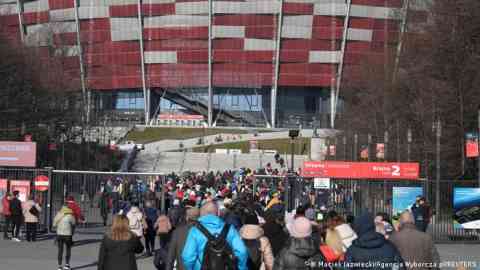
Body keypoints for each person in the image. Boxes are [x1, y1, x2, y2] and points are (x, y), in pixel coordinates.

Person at [181, 201, 248, 270]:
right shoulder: (230, 229)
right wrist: (242, 267)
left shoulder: (195, 231)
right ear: (218, 213)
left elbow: (187, 257)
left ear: (201, 214)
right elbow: (242, 251)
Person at [53, 203, 76, 270]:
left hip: (59, 234)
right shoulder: (70, 215)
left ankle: (59, 266)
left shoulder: (58, 214)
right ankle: (67, 265)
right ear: (68, 207)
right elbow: (74, 223)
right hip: (68, 235)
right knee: (68, 250)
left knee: (60, 250)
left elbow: (54, 224)